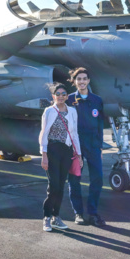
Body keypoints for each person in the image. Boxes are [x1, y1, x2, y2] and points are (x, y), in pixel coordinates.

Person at [66, 68, 106, 227]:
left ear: (89, 80)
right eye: (79, 79)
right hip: (76, 145)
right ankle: (78, 213)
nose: (82, 82)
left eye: (84, 79)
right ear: (74, 81)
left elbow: (100, 125)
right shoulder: (69, 100)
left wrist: (100, 146)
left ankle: (93, 212)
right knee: (74, 179)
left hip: (93, 145)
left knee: (97, 179)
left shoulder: (97, 100)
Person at [39, 83, 81, 232]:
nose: (61, 96)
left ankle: (56, 217)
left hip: (67, 151)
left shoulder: (72, 112)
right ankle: (47, 217)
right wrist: (44, 155)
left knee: (61, 186)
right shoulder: (49, 111)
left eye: (64, 93)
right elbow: (44, 133)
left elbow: (74, 134)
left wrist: (79, 155)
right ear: (53, 96)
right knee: (54, 185)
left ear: (67, 96)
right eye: (58, 93)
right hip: (52, 150)